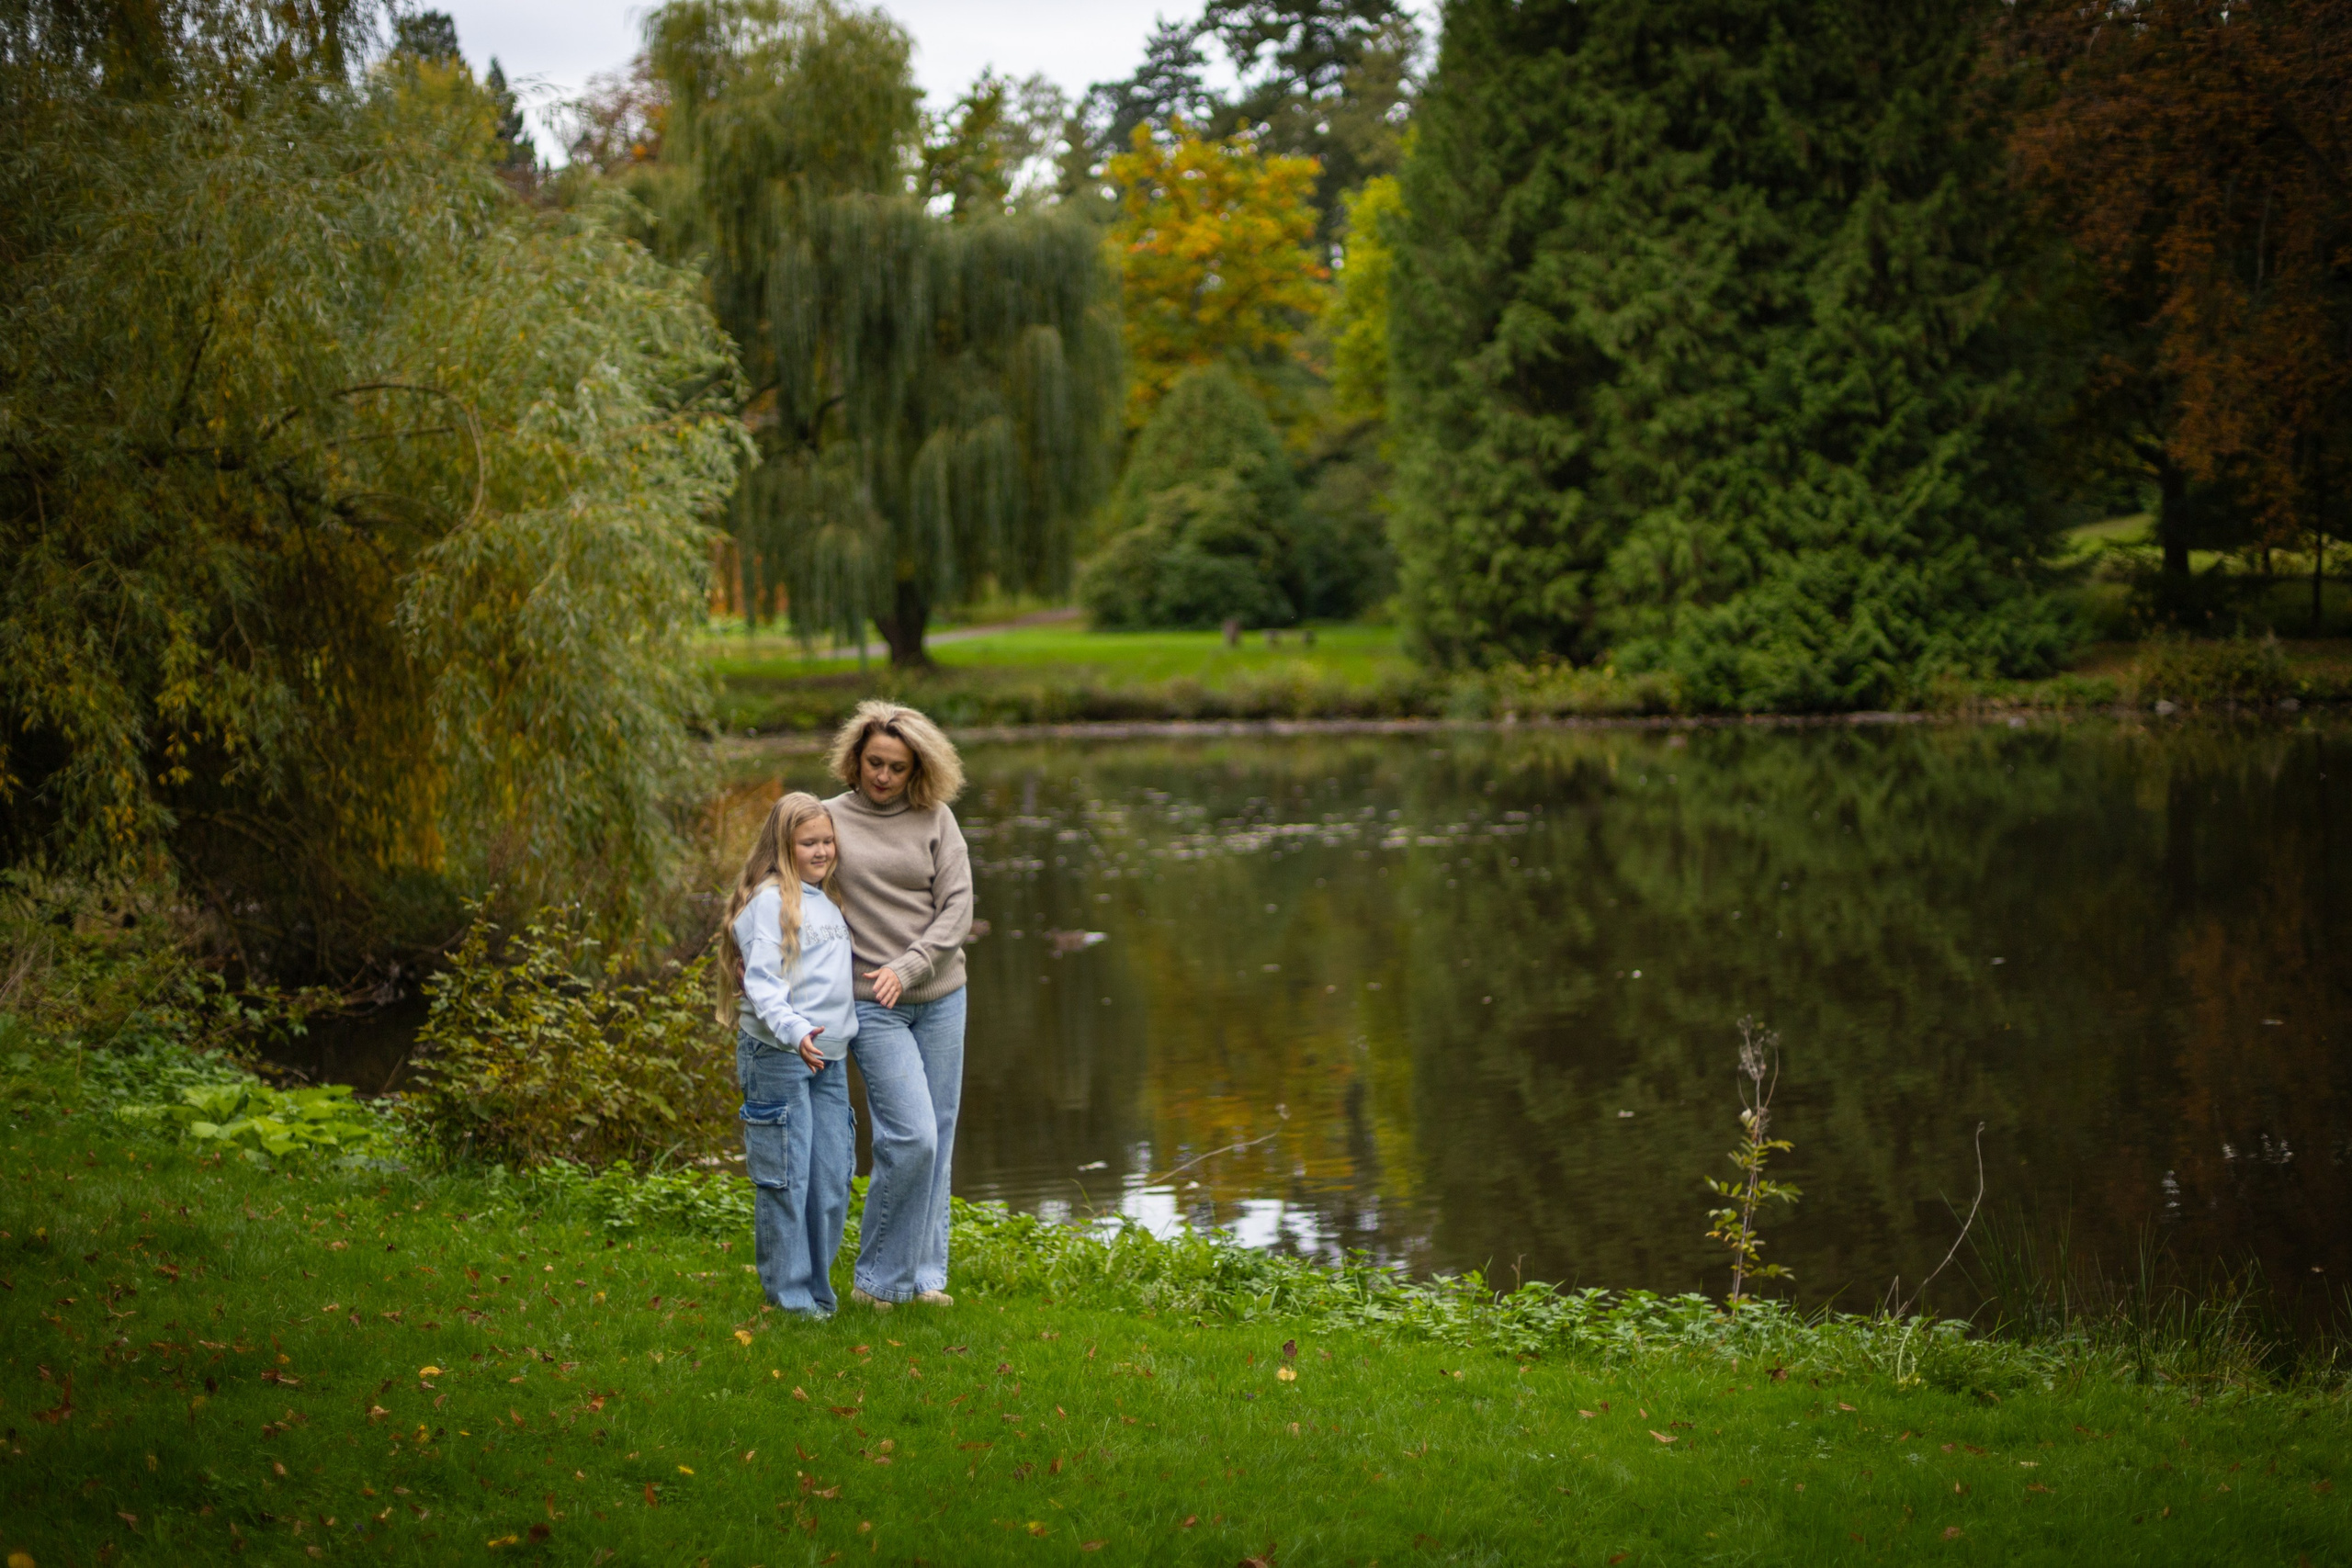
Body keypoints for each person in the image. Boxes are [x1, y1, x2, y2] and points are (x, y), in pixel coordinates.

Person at [823, 701, 972, 1309]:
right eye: (874, 762)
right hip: (872, 1005)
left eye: (898, 767)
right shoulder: (827, 818)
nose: (883, 776)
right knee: (908, 1137)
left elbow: (957, 909)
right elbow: (788, 887)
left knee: (937, 1135)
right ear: (855, 760)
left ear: (918, 770)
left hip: (940, 995)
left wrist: (910, 964)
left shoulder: (936, 819)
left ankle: (924, 1278)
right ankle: (876, 1282)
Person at [715, 791, 857, 1317]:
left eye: (827, 840)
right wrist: (797, 1032)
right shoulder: (771, 902)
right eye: (809, 843)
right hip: (781, 1054)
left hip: (829, 1057)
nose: (822, 851)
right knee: (786, 1179)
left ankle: (819, 1293)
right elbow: (763, 985)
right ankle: (793, 1301)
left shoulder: (826, 899)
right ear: (783, 846)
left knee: (829, 1180)